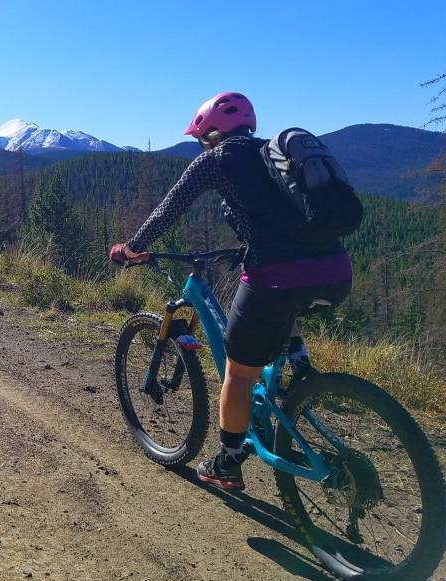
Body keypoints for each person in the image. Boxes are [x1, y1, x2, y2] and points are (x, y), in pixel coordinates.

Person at [109, 92, 353, 491]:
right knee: (281, 309)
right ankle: (303, 375)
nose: (201, 143)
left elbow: (168, 210)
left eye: (201, 137)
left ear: (210, 133)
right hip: (336, 271)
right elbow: (281, 221)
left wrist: (131, 248)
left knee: (238, 374)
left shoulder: (216, 158)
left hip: (275, 276)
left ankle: (228, 462)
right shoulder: (274, 157)